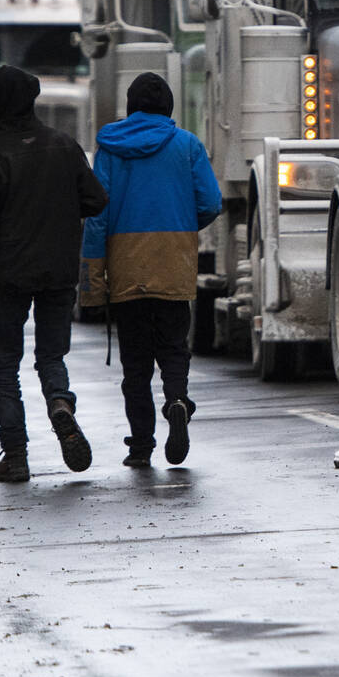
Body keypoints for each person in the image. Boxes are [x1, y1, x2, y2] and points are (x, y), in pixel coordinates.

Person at [0, 65, 108, 484]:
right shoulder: (63, 146)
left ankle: (16, 455)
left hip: (10, 276)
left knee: (6, 367)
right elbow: (95, 200)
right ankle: (60, 404)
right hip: (60, 271)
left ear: (1, 102)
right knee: (51, 357)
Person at [81, 73, 221, 468]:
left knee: (135, 364)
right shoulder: (188, 145)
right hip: (173, 264)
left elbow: (96, 218)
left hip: (127, 269)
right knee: (174, 349)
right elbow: (211, 202)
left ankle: (141, 445)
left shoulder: (109, 149)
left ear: (130, 105)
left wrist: (91, 282)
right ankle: (177, 400)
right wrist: (181, 226)